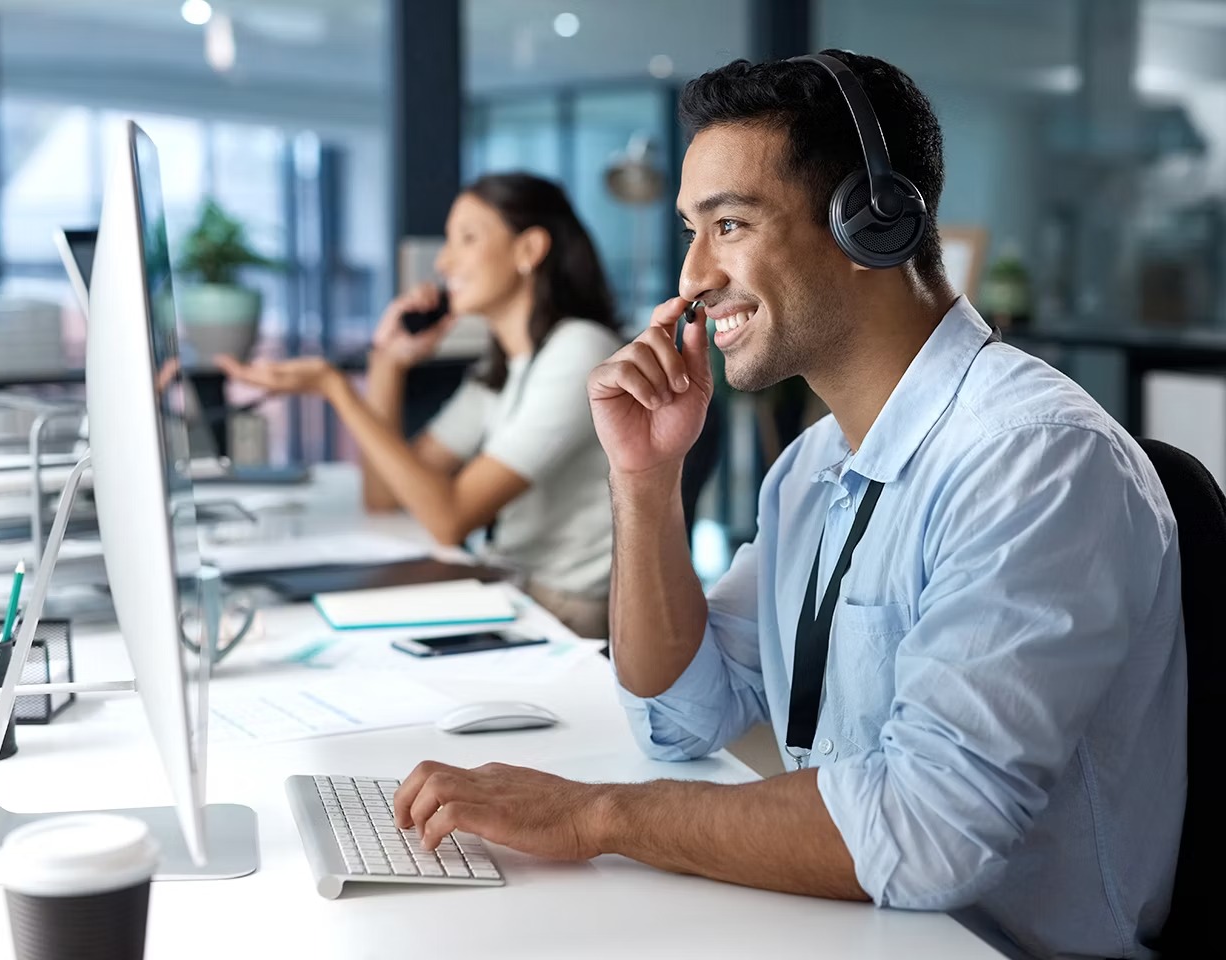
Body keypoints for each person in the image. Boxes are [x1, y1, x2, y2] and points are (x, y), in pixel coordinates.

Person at [389, 52, 1186, 960]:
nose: (691, 276)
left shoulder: (1034, 461)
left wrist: (596, 815)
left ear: (871, 225)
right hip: (845, 924)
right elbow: (680, 715)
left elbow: (929, 833)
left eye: (729, 224)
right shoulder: (814, 466)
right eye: (691, 229)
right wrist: (645, 482)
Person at [220, 173, 622, 638]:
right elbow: (386, 496)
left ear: (528, 250)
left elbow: (448, 518)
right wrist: (388, 364)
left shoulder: (579, 352)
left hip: (564, 611)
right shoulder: (504, 366)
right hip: (513, 588)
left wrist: (337, 388)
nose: (445, 262)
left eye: (467, 239)